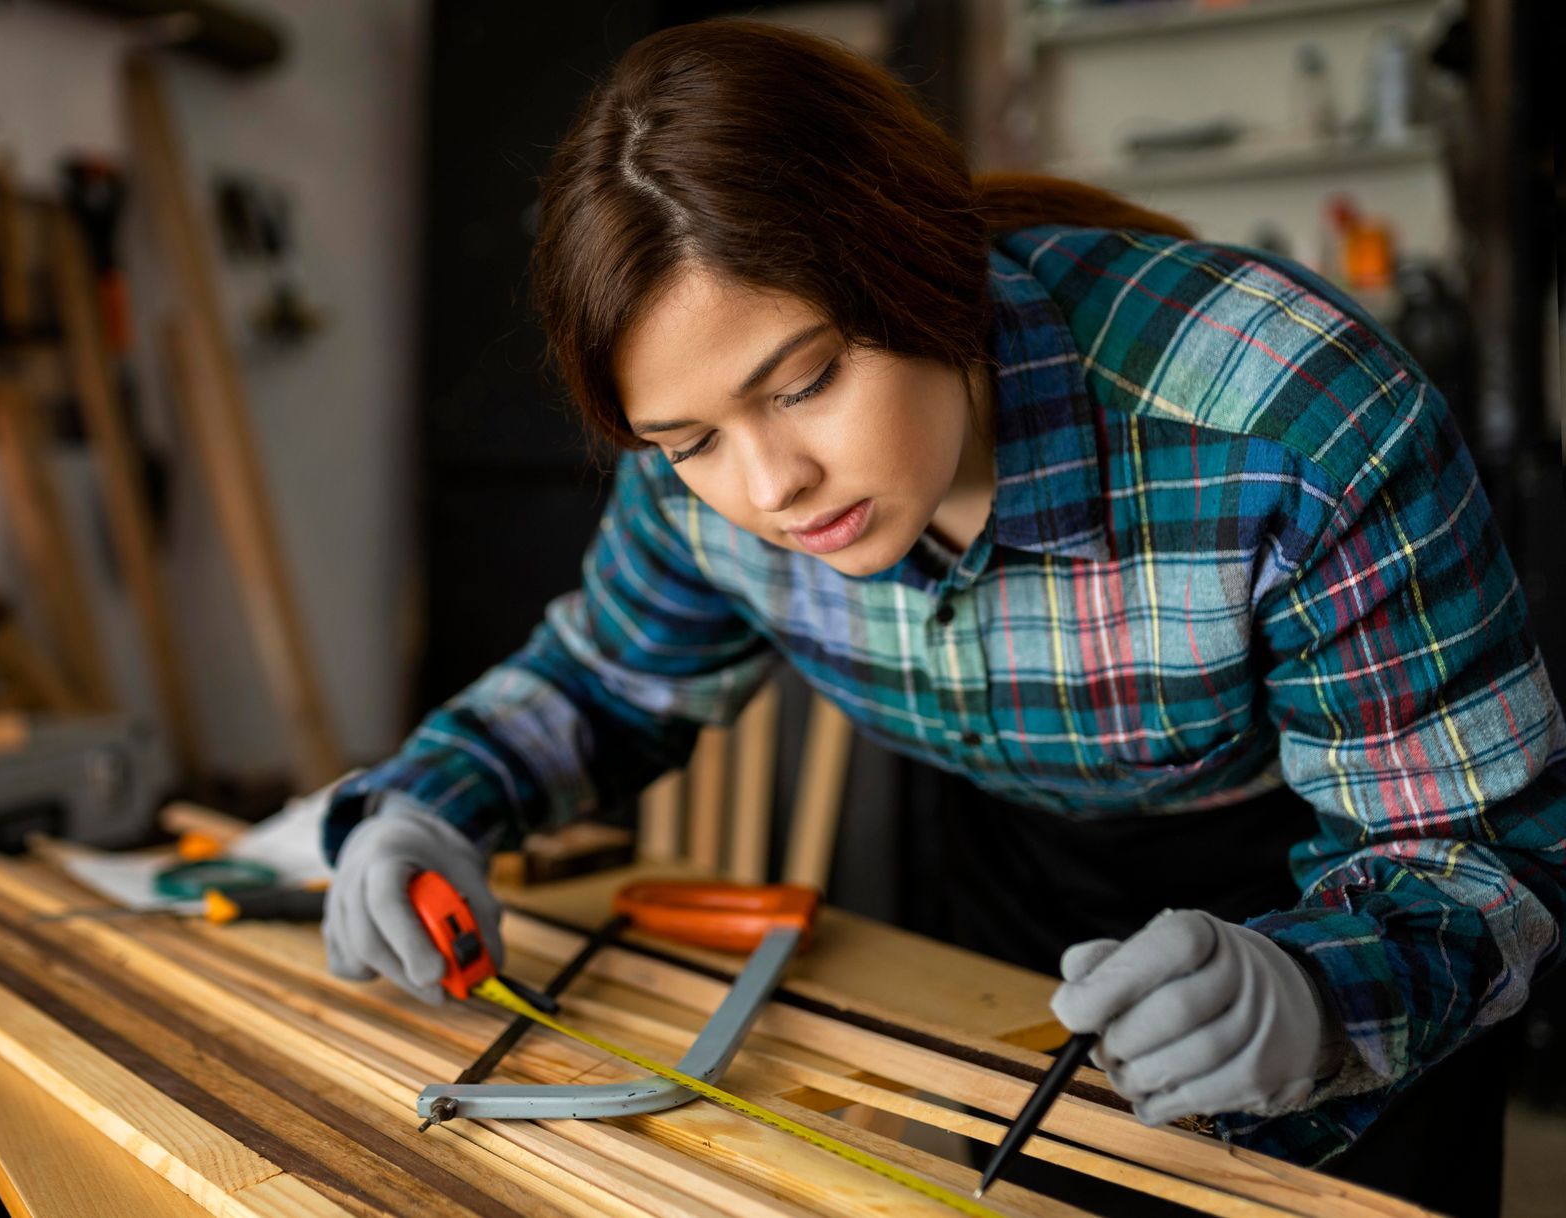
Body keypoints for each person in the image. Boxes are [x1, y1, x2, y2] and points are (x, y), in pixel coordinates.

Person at [236, 20, 1564, 1215]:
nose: (767, 488)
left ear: (928, 260)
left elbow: (1489, 853)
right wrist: (428, 803)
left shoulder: (1291, 419)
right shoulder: (702, 483)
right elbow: (601, 681)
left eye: (806, 379)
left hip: (1313, 881)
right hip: (1009, 883)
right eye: (689, 438)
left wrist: (1327, 994)